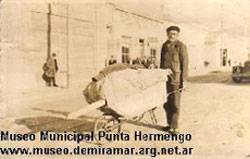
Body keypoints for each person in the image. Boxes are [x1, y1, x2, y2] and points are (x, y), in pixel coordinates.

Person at [160, 26, 189, 134]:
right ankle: (169, 124)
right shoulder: (164, 46)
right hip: (165, 79)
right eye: (170, 33)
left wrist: (184, 80)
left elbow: (185, 64)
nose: (172, 35)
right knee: (166, 103)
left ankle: (175, 127)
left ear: (177, 35)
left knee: (175, 104)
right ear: (167, 34)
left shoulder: (180, 46)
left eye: (174, 34)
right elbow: (161, 63)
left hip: (176, 79)